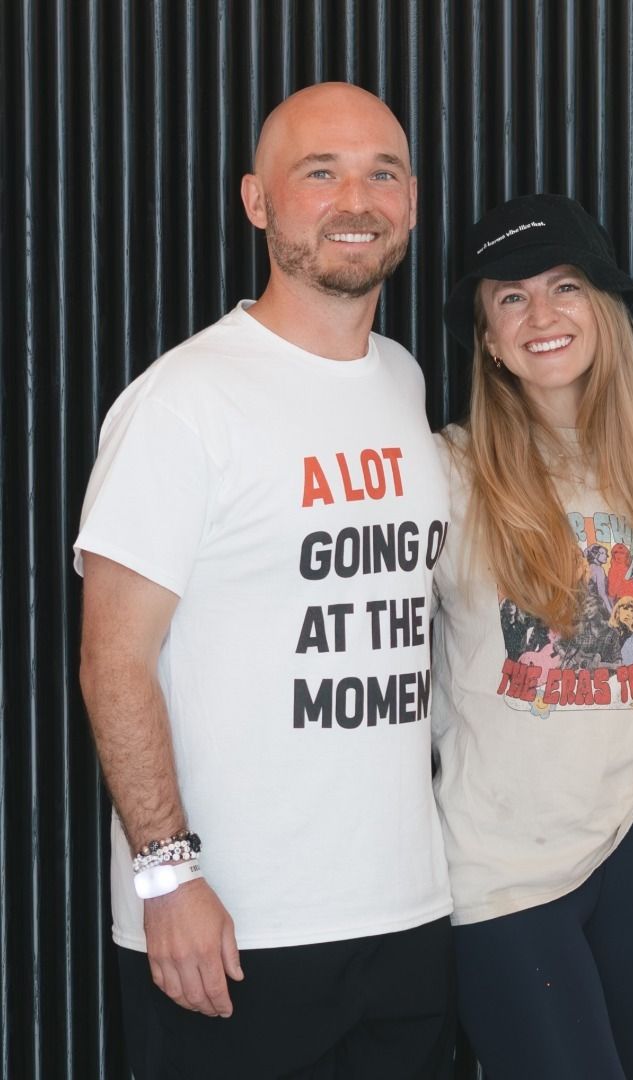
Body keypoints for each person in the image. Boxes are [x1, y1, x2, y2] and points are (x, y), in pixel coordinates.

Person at [73, 83, 455, 1077]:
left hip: (407, 915)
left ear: (411, 201)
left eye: (381, 172)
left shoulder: (404, 382)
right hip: (232, 932)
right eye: (318, 173)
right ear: (258, 202)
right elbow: (114, 661)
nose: (354, 199)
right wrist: (166, 879)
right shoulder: (182, 404)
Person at [431, 193, 633, 1079]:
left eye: (565, 286)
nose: (541, 314)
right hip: (505, 870)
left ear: (606, 309)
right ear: (490, 340)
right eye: (511, 297)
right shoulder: (447, 473)